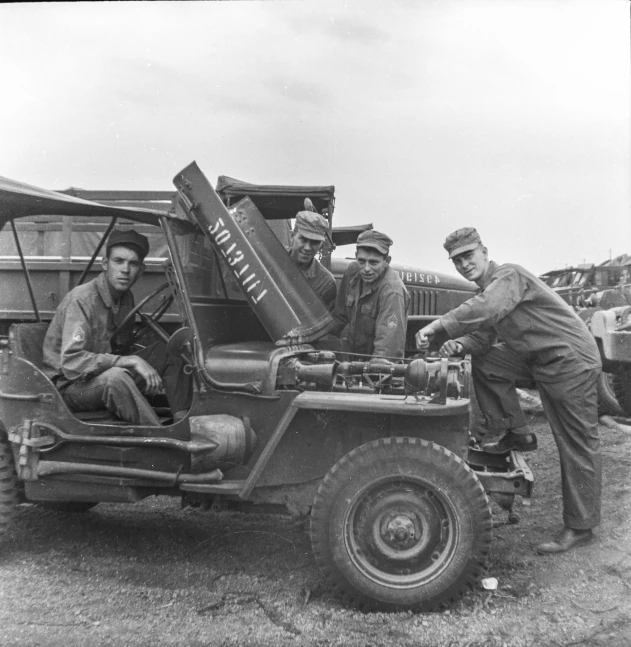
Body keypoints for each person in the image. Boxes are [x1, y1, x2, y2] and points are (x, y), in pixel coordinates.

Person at [415, 227, 601, 554]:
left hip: (570, 360)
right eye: (456, 260)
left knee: (576, 442)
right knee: (484, 359)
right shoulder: (492, 288)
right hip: (539, 359)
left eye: (468, 256)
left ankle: (581, 526)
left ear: (484, 252)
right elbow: (484, 337)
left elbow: (486, 309)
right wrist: (457, 343)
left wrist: (438, 325)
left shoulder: (508, 276)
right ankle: (517, 431)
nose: (463, 264)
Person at [42, 229, 192, 426]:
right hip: (68, 386)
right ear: (105, 264)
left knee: (170, 351)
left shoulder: (125, 298)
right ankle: (160, 435)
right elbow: (72, 362)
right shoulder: (82, 300)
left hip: (97, 377)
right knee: (116, 378)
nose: (125, 270)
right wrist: (130, 361)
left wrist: (136, 364)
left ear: (141, 269)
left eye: (133, 263)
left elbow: (121, 348)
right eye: (118, 261)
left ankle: (184, 424)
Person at [330, 230, 409, 367]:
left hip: (374, 364)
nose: (366, 268)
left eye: (373, 262)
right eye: (362, 261)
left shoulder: (392, 292)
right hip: (351, 354)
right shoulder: (352, 271)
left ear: (387, 261)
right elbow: (339, 317)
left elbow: (386, 352)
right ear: (356, 257)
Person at [287, 211, 337, 310]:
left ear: (321, 244)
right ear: (292, 236)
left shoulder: (326, 283)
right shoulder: (272, 257)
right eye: (303, 239)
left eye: (315, 242)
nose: (308, 247)